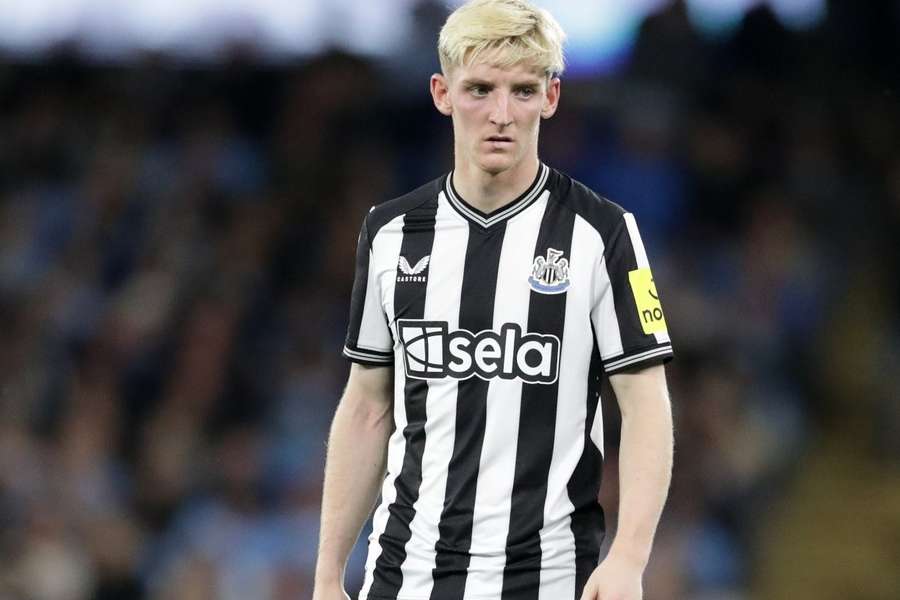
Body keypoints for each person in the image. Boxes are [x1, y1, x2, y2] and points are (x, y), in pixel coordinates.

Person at [313, 1, 674, 599]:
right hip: (405, 576)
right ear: (441, 93)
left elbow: (646, 405)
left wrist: (630, 557)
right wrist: (328, 571)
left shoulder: (602, 232)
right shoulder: (390, 233)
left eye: (523, 91)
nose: (501, 114)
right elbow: (366, 406)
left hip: (548, 578)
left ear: (551, 98)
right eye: (479, 89)